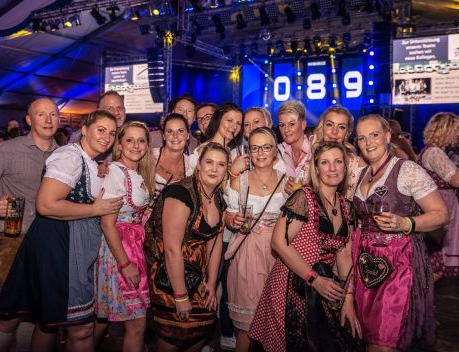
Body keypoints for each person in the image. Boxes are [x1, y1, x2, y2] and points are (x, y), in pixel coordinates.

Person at [0, 110, 123, 352]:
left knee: (48, 324)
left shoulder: (89, 161)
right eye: (101, 130)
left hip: (69, 246)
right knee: (82, 329)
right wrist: (96, 208)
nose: (107, 137)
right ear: (84, 129)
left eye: (112, 133)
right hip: (60, 247)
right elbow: (46, 204)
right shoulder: (69, 157)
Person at [249, 142, 363, 351]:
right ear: (316, 168)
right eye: (325, 162)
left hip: (325, 286)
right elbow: (278, 242)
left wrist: (348, 298)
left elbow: (345, 254)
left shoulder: (347, 207)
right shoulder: (304, 198)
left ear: (345, 167)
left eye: (338, 162)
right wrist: (314, 279)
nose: (332, 168)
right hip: (292, 284)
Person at [352, 114, 449, 351]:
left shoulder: (407, 170)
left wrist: (407, 223)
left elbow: (441, 214)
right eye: (362, 138)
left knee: (385, 341)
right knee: (367, 337)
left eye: (374, 135)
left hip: (398, 265)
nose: (368, 142)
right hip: (364, 264)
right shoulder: (361, 174)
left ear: (387, 136)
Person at [0, 97, 59, 351]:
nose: (48, 119)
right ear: (29, 120)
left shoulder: (64, 154)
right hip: (11, 239)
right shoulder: (7, 150)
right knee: (8, 312)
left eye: (53, 114)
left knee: (37, 310)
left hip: (47, 242)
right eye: (41, 114)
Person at [144, 142, 229, 351]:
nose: (214, 169)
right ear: (198, 165)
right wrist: (180, 295)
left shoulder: (217, 196)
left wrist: (211, 282)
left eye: (221, 164)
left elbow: (215, 241)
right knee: (174, 336)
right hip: (170, 273)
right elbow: (171, 248)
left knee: (201, 329)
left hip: (198, 274)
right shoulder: (180, 193)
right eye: (209, 162)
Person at [224, 127, 287, 352]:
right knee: (247, 329)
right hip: (248, 253)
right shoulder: (238, 181)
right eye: (255, 148)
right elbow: (228, 215)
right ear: (249, 152)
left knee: (278, 323)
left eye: (266, 147)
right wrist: (233, 221)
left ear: (275, 152)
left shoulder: (287, 182)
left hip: (279, 255)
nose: (261, 152)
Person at [95, 121, 156, 352]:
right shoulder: (115, 173)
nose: (136, 145)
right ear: (119, 145)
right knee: (136, 325)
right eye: (129, 140)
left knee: (108, 321)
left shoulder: (137, 173)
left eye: (141, 140)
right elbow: (107, 224)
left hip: (133, 247)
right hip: (119, 250)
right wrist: (125, 263)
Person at [417, 112, 459, 279]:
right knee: (437, 260)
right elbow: (455, 180)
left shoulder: (435, 151)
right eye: (456, 130)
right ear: (446, 131)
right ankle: (424, 299)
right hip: (441, 203)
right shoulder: (434, 153)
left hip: (444, 202)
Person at [311, 106, 359, 200]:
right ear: (322, 127)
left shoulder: (357, 165)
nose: (334, 132)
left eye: (341, 127)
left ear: (347, 133)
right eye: (329, 125)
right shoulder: (309, 161)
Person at [188, 102, 244, 174]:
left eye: (238, 123)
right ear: (218, 120)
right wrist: (232, 172)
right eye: (230, 121)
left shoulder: (233, 152)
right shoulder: (204, 150)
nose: (234, 127)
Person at [277, 100, 312, 193]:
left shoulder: (315, 151)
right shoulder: (277, 152)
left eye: (291, 124)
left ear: (303, 125)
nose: (286, 129)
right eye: (282, 125)